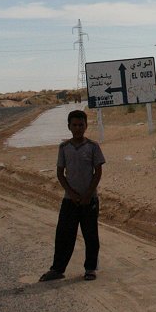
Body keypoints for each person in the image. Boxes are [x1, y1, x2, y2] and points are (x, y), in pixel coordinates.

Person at [39, 109, 106, 282]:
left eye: (80, 125)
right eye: (74, 125)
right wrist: (72, 194)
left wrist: (88, 194)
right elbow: (60, 173)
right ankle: (57, 269)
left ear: (86, 126)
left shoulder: (92, 147)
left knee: (91, 235)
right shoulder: (64, 148)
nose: (77, 128)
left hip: (90, 200)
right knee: (63, 235)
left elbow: (97, 172)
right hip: (70, 201)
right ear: (69, 126)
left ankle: (90, 269)